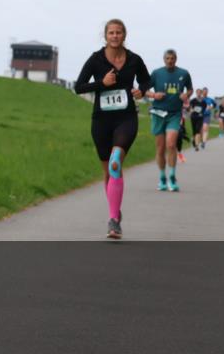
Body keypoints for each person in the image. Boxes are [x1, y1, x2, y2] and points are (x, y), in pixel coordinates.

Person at [74, 18, 150, 239]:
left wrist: (141, 91)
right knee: (108, 172)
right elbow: (79, 87)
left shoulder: (134, 60)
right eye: (111, 33)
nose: (115, 36)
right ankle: (114, 211)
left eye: (118, 32)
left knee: (116, 163)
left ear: (124, 35)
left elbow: (146, 81)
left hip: (126, 118)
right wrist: (101, 84)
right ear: (105, 36)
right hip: (101, 121)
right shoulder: (96, 59)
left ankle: (113, 221)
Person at [147, 49, 193, 191]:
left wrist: (186, 95)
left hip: (174, 114)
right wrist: (154, 95)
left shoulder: (183, 73)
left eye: (172, 58)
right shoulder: (156, 73)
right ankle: (162, 178)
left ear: (176, 59)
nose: (170, 61)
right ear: (164, 59)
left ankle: (172, 177)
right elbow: (144, 90)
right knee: (160, 148)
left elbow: (190, 89)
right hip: (158, 113)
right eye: (167, 58)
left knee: (171, 145)